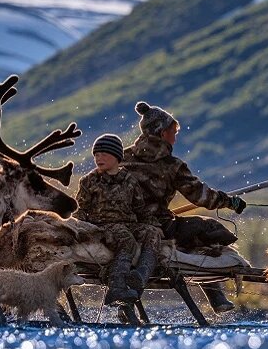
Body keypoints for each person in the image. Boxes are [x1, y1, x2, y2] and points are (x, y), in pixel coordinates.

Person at [121, 101, 246, 312]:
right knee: (206, 231)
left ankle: (217, 299)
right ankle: (217, 298)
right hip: (158, 227)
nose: (175, 137)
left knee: (190, 233)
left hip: (123, 224)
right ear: (162, 133)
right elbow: (202, 196)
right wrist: (229, 202)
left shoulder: (122, 157)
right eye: (173, 132)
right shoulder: (172, 165)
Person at [74, 133, 168, 308]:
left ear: (116, 156)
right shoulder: (89, 181)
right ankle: (116, 287)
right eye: (96, 155)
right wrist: (78, 230)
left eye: (103, 154)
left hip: (129, 223)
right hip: (102, 226)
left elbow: (140, 210)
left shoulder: (130, 180)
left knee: (152, 234)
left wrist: (154, 225)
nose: (98, 158)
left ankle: (140, 277)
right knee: (127, 240)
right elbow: (82, 210)